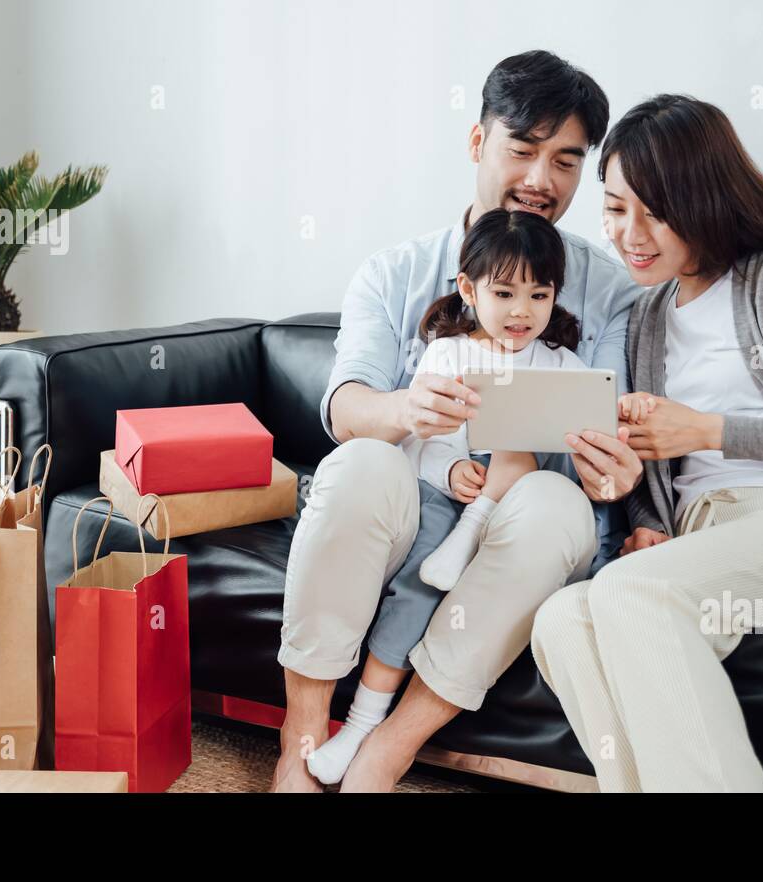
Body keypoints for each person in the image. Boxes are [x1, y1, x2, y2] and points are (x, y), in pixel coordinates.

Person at [273, 50, 643, 792]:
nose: (542, 181)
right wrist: (407, 410)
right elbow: (346, 405)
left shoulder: (609, 291)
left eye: (567, 162)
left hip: (528, 515)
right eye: (523, 149)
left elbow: (607, 432)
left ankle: (388, 747)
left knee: (549, 500)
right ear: (479, 144)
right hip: (422, 503)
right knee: (360, 461)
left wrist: (616, 473)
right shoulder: (394, 273)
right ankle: (303, 735)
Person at [531, 94, 763, 792]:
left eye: (655, 210)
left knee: (633, 598)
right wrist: (639, 514)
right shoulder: (644, 314)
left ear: (704, 200)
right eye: (614, 208)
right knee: (559, 618)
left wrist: (707, 431)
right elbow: (653, 469)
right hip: (703, 538)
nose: (629, 233)